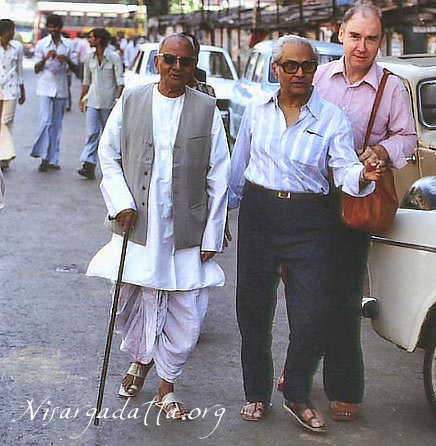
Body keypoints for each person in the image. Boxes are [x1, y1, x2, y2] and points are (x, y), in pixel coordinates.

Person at [229, 34, 382, 433]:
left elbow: (345, 168)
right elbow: (237, 170)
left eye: (308, 66)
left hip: (310, 218)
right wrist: (216, 226)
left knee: (314, 312)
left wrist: (363, 176)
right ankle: (256, 393)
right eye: (291, 66)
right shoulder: (256, 111)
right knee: (253, 311)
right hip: (259, 214)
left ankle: (297, 391)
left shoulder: (331, 118)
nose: (300, 73)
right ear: (275, 70)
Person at [86, 33, 230, 419]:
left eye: (185, 61)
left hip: (186, 231)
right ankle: (138, 363)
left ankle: (167, 386)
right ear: (157, 63)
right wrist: (121, 203)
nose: (176, 68)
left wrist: (212, 235)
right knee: (133, 305)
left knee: (187, 311)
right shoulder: (131, 100)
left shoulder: (207, 108)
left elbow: (220, 174)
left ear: (193, 65)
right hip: (139, 228)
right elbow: (108, 153)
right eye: (170, 59)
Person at [312, 0, 417, 422]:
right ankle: (297, 367)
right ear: (340, 35)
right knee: (304, 289)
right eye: (355, 36)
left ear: (380, 41)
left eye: (371, 38)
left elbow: (407, 138)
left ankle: (344, 387)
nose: (362, 46)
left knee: (343, 295)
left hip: (355, 203)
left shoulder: (391, 87)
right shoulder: (319, 77)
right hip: (313, 195)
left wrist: (379, 152)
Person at [30, 14, 78, 172]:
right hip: (45, 87)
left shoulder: (69, 45)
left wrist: (67, 60)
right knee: (46, 122)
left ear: (60, 28)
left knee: (57, 125)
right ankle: (43, 155)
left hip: (61, 88)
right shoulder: (42, 44)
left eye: (55, 27)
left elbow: (77, 69)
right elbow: (36, 69)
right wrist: (45, 58)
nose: (53, 30)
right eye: (50, 27)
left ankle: (53, 159)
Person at [77, 28, 124, 180]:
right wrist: (82, 98)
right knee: (91, 133)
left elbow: (120, 82)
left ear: (98, 39)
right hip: (92, 101)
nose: (88, 40)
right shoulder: (89, 57)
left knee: (108, 136)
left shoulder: (114, 57)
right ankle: (89, 164)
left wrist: (117, 100)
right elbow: (86, 80)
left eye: (91, 37)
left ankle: (113, 167)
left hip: (109, 102)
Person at [0, 19, 26, 170]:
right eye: (11, 30)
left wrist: (22, 91)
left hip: (11, 89)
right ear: (4, 32)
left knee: (5, 121)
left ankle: (5, 154)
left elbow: (19, 69)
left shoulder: (17, 47)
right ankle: (4, 155)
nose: (13, 33)